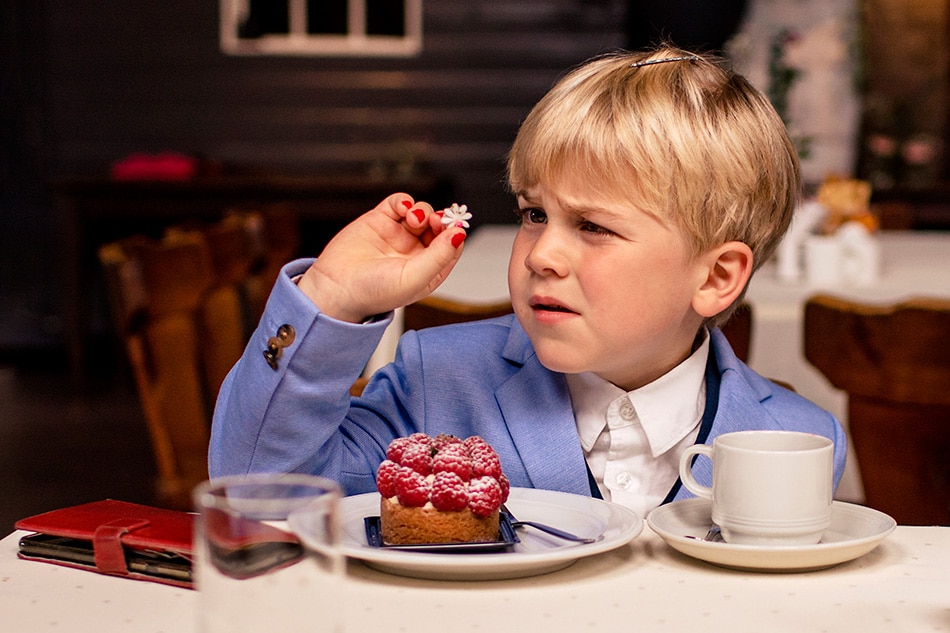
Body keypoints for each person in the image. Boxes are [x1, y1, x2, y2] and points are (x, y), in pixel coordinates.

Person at [209, 46, 847, 518]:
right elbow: (255, 496)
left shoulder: (802, 443)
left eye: (593, 226)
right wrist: (330, 299)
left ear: (715, 276)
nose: (543, 253)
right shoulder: (435, 381)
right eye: (533, 214)